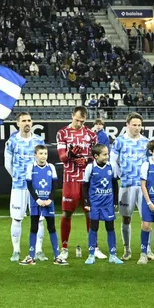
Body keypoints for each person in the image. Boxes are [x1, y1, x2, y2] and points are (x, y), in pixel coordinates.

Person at [3, 113, 47, 261]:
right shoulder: (12, 141)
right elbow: (7, 164)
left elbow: (43, 161)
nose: (27, 123)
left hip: (36, 187)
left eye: (29, 120)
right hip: (19, 186)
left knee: (40, 218)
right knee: (16, 218)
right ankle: (16, 251)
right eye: (23, 121)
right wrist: (16, 177)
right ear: (18, 124)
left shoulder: (38, 140)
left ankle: (39, 250)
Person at [55, 105, 98, 257]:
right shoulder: (63, 133)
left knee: (90, 212)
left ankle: (94, 248)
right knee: (67, 213)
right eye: (77, 120)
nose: (79, 123)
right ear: (72, 115)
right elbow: (62, 157)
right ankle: (64, 248)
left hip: (87, 179)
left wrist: (86, 160)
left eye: (82, 121)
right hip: (70, 178)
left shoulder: (91, 134)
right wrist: (71, 154)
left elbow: (96, 157)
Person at [112, 114, 150, 253]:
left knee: (146, 218)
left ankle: (147, 250)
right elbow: (113, 160)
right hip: (126, 185)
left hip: (143, 186)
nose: (137, 128)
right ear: (127, 125)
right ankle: (127, 249)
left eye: (139, 125)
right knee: (126, 217)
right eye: (134, 125)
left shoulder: (146, 142)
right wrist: (120, 174)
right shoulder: (120, 141)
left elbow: (149, 162)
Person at [81, 142, 123, 265]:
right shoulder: (90, 168)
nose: (107, 157)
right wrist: (87, 201)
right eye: (104, 154)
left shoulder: (111, 166)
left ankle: (113, 255)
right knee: (94, 228)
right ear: (96, 156)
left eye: (107, 154)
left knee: (110, 228)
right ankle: (91, 254)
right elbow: (85, 185)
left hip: (108, 203)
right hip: (95, 203)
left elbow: (115, 184)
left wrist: (115, 200)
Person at [22, 145, 62, 265]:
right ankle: (31, 257)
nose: (43, 156)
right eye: (40, 153)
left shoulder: (51, 167)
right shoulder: (31, 167)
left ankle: (57, 256)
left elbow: (55, 185)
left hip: (49, 203)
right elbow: (29, 185)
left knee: (52, 228)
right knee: (34, 227)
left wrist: (50, 199)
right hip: (36, 202)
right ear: (35, 155)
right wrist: (37, 199)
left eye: (45, 153)